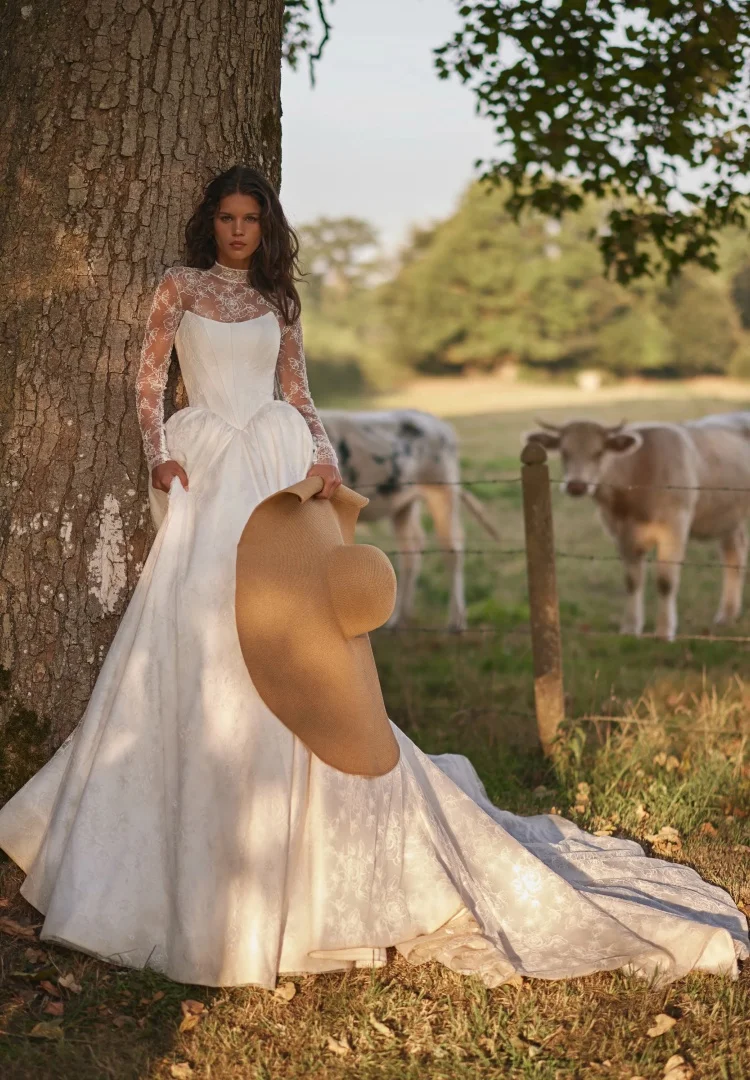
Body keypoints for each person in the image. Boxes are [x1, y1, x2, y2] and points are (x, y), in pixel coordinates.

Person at [0, 165, 746, 990]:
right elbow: (146, 381)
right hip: (207, 459)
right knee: (203, 626)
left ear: (266, 224)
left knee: (304, 632)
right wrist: (161, 454)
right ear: (209, 222)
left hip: (278, 459)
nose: (238, 230)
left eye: (251, 218)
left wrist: (320, 454)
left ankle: (302, 824)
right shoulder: (178, 287)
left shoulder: (279, 301)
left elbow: (300, 390)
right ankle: (187, 836)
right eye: (226, 217)